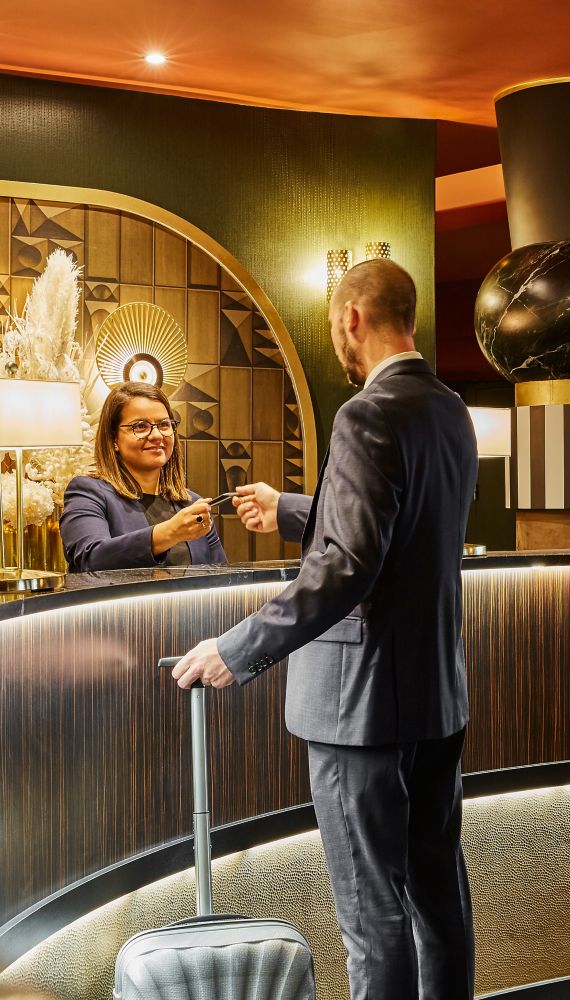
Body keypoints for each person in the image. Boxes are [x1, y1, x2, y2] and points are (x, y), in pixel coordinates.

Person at [170, 259, 478, 1000]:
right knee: (438, 895)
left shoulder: (364, 414)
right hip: (435, 696)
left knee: (373, 916)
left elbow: (346, 565)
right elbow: (395, 525)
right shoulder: (448, 409)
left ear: (351, 319)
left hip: (359, 707)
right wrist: (289, 508)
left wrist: (237, 648)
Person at [60, 382, 226, 572]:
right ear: (113, 439)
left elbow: (222, 575)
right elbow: (89, 559)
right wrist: (169, 533)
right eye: (140, 426)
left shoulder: (192, 503)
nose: (157, 435)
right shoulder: (88, 493)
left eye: (164, 425)